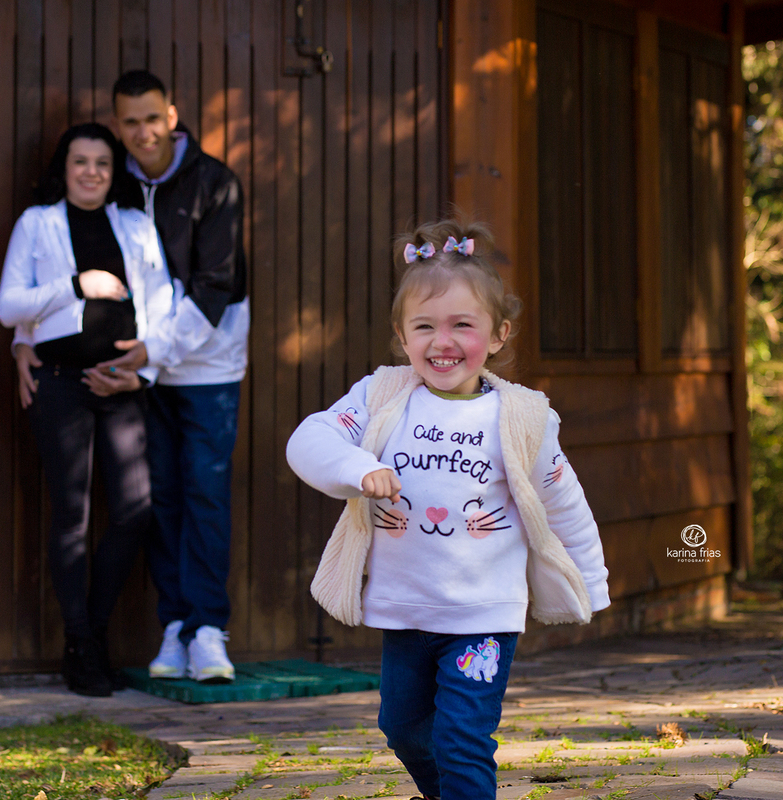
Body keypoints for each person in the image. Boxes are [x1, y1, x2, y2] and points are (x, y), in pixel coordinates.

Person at [285, 219, 610, 798]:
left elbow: (564, 502)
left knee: (462, 739)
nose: (443, 341)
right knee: (403, 728)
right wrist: (358, 469)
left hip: (482, 618)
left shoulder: (522, 417)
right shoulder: (382, 395)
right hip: (404, 612)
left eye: (463, 325)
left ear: (499, 333)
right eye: (425, 326)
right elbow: (308, 441)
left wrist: (589, 580)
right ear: (401, 335)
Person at [0, 123, 173, 697]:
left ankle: (93, 632)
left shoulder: (137, 225)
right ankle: (80, 646)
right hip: (60, 384)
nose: (92, 171)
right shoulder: (38, 222)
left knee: (134, 510)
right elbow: (8, 306)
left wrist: (139, 372)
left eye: (102, 162)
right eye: (80, 161)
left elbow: (161, 304)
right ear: (64, 167)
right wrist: (77, 284)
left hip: (122, 386)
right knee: (70, 513)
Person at [94, 70, 249, 683]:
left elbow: (214, 290)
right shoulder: (116, 184)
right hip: (144, 369)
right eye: (129, 123)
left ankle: (210, 628)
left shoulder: (216, 183)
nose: (142, 134)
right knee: (162, 499)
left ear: (172, 115)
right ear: (118, 125)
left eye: (151, 120)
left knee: (205, 493)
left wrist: (152, 354)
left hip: (207, 367)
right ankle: (175, 626)